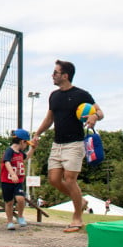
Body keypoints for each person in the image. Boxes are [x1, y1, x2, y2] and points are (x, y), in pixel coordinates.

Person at [31, 60, 103, 233]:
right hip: (57, 143)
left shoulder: (81, 95)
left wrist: (94, 117)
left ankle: (77, 218)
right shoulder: (53, 96)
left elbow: (100, 112)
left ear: (65, 75)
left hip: (75, 144)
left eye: (55, 72)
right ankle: (81, 201)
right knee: (54, 180)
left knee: (70, 179)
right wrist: (37, 133)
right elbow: (50, 119)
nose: (52, 75)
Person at [1, 128, 33, 230]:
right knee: (9, 202)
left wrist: (33, 148)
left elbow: (26, 157)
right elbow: (6, 162)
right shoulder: (9, 151)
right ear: (22, 141)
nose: (26, 146)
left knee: (20, 198)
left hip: (18, 181)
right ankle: (10, 221)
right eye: (26, 143)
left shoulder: (20, 153)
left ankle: (20, 216)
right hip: (7, 181)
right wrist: (12, 174)